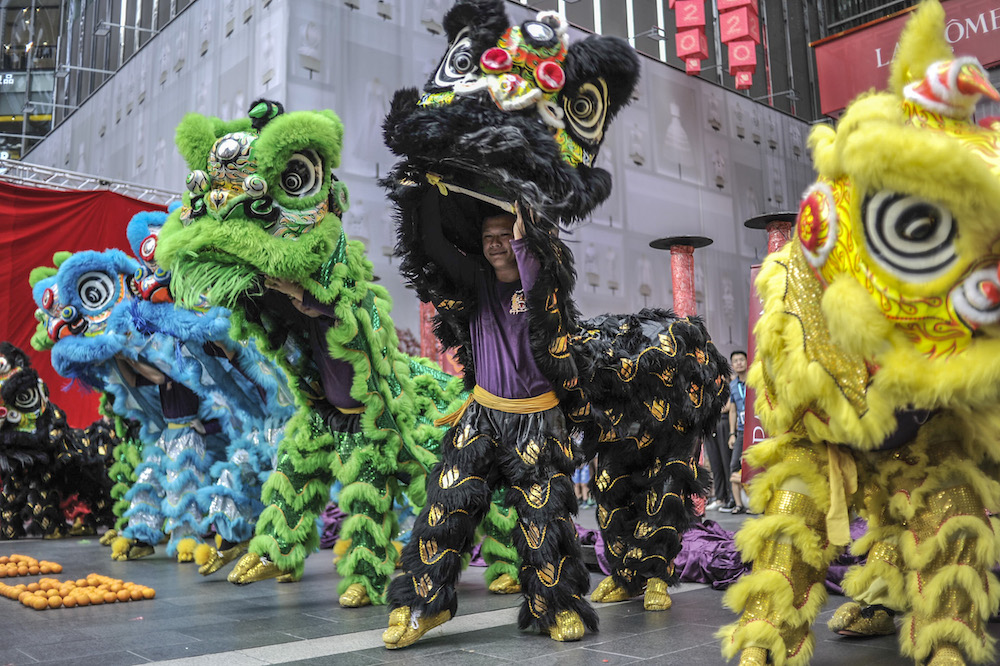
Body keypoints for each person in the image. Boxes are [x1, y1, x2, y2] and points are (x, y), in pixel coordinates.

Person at [383, 191, 596, 648]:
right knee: (443, 507)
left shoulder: (543, 285)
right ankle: (423, 604)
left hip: (537, 422)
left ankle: (555, 608)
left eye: (505, 235)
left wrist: (526, 233)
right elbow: (435, 250)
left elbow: (539, 271)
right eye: (488, 237)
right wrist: (424, 189)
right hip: (480, 416)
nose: (496, 243)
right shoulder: (476, 280)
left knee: (545, 523)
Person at [726, 351, 748, 515]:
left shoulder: (755, 381)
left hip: (755, 430)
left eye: (742, 360)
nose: (739, 363)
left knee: (756, 465)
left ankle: (759, 503)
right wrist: (731, 434)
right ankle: (738, 504)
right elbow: (732, 411)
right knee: (734, 464)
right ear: (732, 365)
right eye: (736, 361)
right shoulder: (733, 385)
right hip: (740, 431)